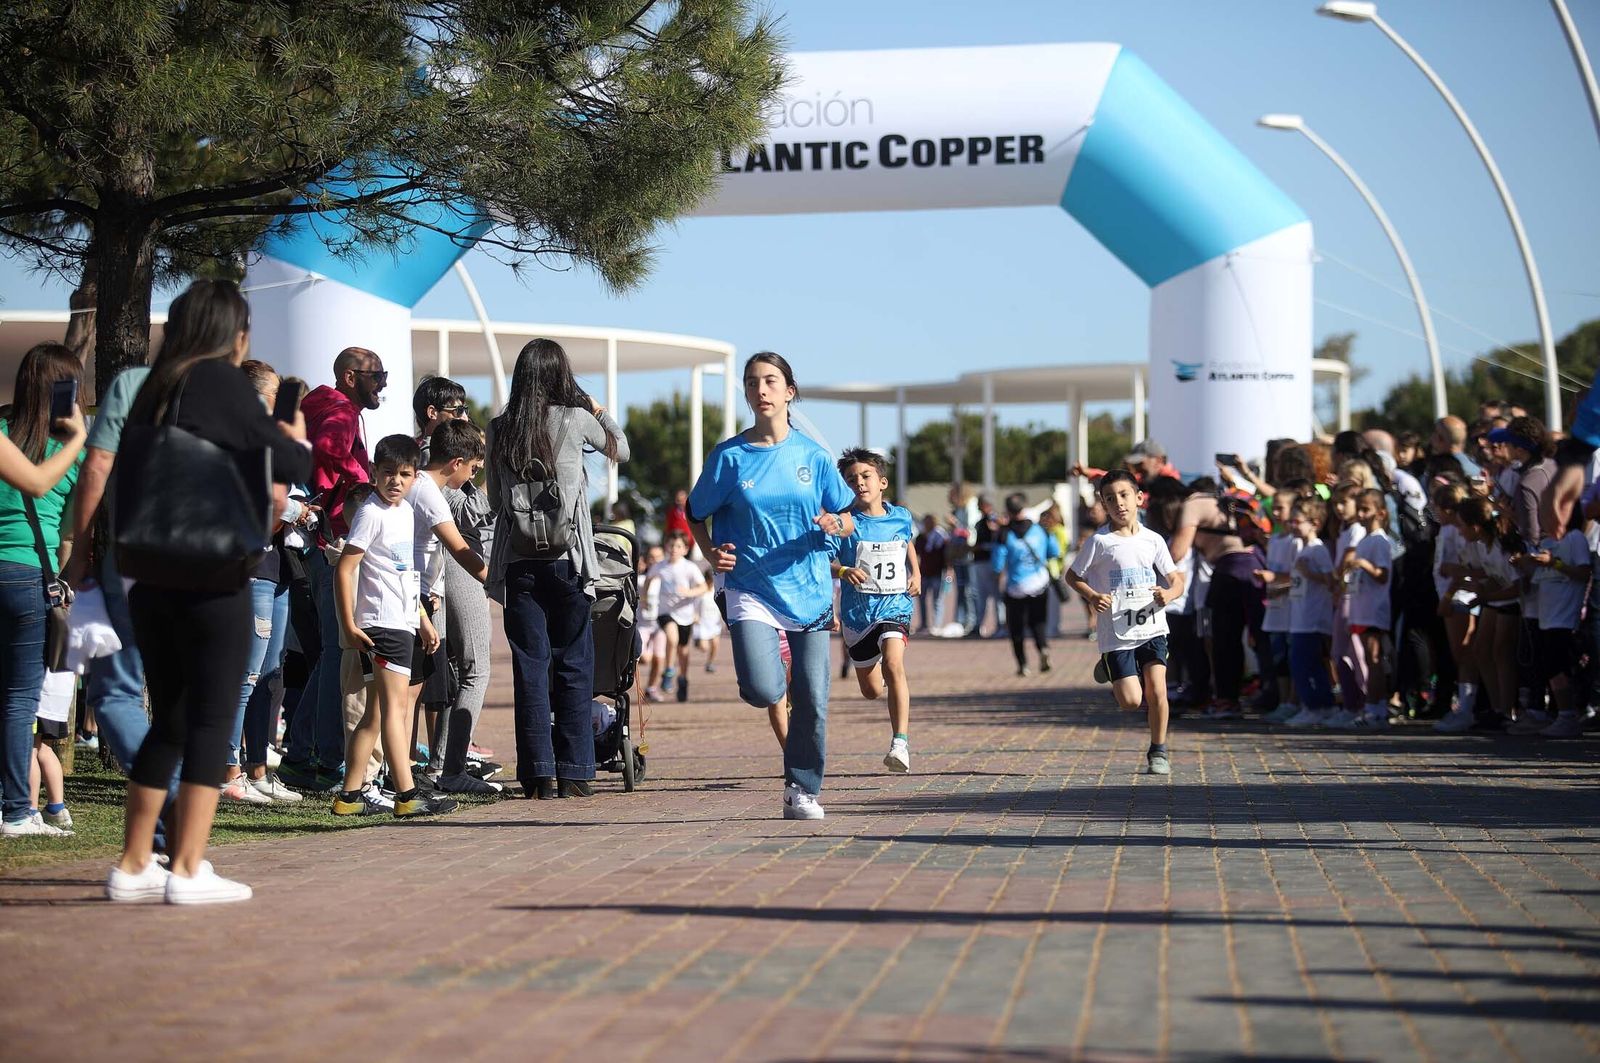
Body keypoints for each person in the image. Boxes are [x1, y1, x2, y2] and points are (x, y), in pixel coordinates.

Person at [106, 279, 312, 905]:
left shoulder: (151, 387)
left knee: (167, 719)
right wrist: (293, 430)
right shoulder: (220, 382)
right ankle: (188, 867)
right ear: (235, 334)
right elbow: (291, 465)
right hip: (212, 576)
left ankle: (134, 863)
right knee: (209, 718)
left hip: (149, 575)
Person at [687, 352, 854, 820]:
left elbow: (846, 516)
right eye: (752, 383)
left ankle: (801, 788)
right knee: (764, 689)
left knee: (814, 700)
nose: (761, 390)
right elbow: (695, 513)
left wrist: (835, 524)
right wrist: (708, 551)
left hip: (810, 589)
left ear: (789, 392)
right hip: (750, 587)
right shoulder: (730, 457)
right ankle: (770, 688)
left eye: (771, 381)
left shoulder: (814, 456)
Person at [488, 339, 628, 800]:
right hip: (570, 562)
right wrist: (599, 409)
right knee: (574, 662)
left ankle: (538, 775)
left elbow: (494, 501)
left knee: (530, 667)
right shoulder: (575, 419)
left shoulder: (500, 428)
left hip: (519, 564)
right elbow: (620, 450)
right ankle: (574, 771)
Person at [331, 435, 457, 818]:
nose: (395, 482)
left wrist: (420, 618)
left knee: (374, 713)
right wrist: (348, 624)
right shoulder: (371, 513)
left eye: (404, 474)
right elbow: (345, 568)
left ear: (415, 476)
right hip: (382, 624)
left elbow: (403, 572)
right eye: (387, 473)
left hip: (401, 620)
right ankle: (406, 794)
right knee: (393, 710)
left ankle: (348, 797)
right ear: (373, 474)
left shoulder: (405, 513)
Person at [280, 346, 386, 792]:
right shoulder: (340, 410)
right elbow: (327, 451)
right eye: (376, 375)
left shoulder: (330, 406)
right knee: (336, 653)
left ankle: (309, 753)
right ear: (349, 376)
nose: (383, 383)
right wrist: (364, 480)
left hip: (324, 540)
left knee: (331, 652)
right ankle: (315, 755)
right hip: (334, 541)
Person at [0, 342, 87, 838]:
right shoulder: (67, 453)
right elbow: (69, 535)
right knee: (18, 699)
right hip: (27, 573)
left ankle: (11, 804)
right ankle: (16, 810)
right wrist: (77, 441)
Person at [221, 360, 308, 806]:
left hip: (278, 567)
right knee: (247, 671)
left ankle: (257, 766)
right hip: (250, 564)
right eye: (276, 393)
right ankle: (228, 767)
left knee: (270, 674)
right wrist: (290, 511)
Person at [1064, 470, 1184, 775]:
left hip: (1152, 627)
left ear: (1139, 498)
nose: (1119, 503)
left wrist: (1169, 594)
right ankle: (1110, 665)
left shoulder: (1153, 540)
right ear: (1103, 505)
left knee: (1158, 691)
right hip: (1117, 631)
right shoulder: (1100, 542)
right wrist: (1092, 596)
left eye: (1124, 495)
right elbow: (1073, 576)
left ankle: (1159, 750)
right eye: (1110, 498)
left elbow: (1176, 579)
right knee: (1132, 701)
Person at [405, 419, 492, 786]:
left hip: (416, 599)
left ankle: (402, 776)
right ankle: (447, 770)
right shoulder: (430, 493)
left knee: (406, 695)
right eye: (473, 469)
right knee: (406, 697)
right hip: (411, 601)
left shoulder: (415, 486)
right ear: (456, 462)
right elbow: (460, 549)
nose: (472, 476)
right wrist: (501, 583)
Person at [831, 448, 919, 773]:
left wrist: (917, 573)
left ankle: (900, 742)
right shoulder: (844, 524)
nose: (859, 483)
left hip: (894, 606)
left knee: (894, 664)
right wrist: (843, 571)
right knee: (870, 691)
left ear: (882, 482)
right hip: (858, 616)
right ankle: (880, 673)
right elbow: (821, 562)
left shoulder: (902, 516)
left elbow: (907, 542)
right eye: (851, 479)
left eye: (865, 476)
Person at [436, 422, 502, 792]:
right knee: (474, 669)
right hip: (456, 574)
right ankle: (451, 769)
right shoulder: (437, 487)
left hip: (447, 577)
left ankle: (442, 764)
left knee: (449, 674)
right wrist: (497, 466)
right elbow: (468, 520)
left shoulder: (432, 483)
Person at [1282, 498, 1337, 729]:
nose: (1292, 525)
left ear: (1314, 523)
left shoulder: (1318, 549)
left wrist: (1309, 573)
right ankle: (1319, 705)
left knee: (1303, 663)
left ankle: (1316, 706)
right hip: (1299, 615)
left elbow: (1331, 580)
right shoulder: (1299, 547)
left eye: (1297, 521)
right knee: (1305, 664)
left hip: (1313, 618)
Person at [1343, 489, 1394, 729]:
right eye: (1359, 509)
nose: (1361, 515)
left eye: (1366, 509)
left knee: (1374, 658)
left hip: (1374, 608)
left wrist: (1363, 564)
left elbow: (1382, 575)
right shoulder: (1364, 540)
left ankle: (1377, 707)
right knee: (1366, 657)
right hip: (1361, 606)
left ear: (1380, 513)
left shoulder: (1380, 541)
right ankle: (1372, 705)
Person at [992, 492, 1058, 676]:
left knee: (1016, 628)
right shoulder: (1040, 529)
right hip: (1039, 583)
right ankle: (1043, 648)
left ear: (1007, 510)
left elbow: (997, 564)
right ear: (1024, 506)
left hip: (1015, 586)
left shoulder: (1003, 534)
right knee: (1038, 622)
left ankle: (1023, 665)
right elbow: (1054, 551)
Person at [645, 531, 709, 703]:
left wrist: (689, 592)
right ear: (666, 546)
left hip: (686, 615)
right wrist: (644, 599)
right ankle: (668, 672)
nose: (674, 549)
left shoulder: (690, 567)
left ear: (685, 549)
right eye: (671, 545)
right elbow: (648, 579)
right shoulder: (660, 566)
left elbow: (703, 588)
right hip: (665, 612)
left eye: (678, 546)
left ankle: (683, 679)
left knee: (683, 651)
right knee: (671, 639)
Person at [1256, 489, 1303, 724]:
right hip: (1274, 609)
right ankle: (1283, 700)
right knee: (1278, 657)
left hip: (1291, 609)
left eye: (1280, 508)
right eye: (1272, 508)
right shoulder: (1274, 539)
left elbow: (1296, 575)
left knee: (1291, 656)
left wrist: (1273, 579)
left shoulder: (1296, 541)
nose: (1275, 513)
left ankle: (1294, 701)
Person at [967, 495, 1005, 637]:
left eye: (980, 504)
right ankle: (978, 626)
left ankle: (1001, 625)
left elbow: (999, 539)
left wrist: (997, 527)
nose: (978, 507)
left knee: (996, 596)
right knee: (980, 596)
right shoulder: (981, 522)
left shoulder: (994, 519)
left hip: (991, 562)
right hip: (979, 562)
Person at [913, 513, 948, 633]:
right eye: (926, 522)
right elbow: (916, 554)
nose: (927, 524)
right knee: (921, 599)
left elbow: (946, 555)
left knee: (937, 600)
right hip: (924, 572)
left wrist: (948, 569)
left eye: (930, 522)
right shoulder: (921, 538)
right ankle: (924, 624)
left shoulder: (940, 536)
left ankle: (936, 625)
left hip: (937, 572)